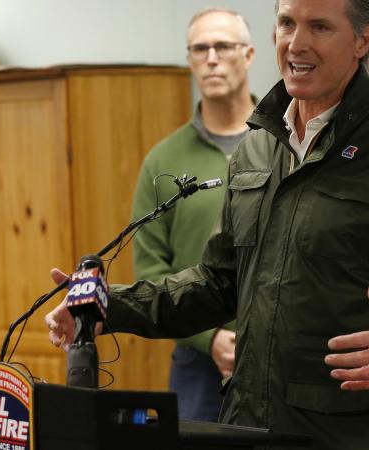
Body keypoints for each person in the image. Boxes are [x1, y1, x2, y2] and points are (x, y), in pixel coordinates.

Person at [46, 1, 369, 449]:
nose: (297, 43)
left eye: (319, 27)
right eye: (286, 24)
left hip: (351, 435)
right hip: (247, 426)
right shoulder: (256, 147)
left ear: (362, 40)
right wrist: (108, 306)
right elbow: (220, 284)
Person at [130, 8, 256, 422]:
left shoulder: (282, 143)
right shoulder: (163, 160)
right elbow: (150, 270)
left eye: (223, 46)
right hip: (196, 359)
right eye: (200, 49)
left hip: (280, 353)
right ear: (189, 60)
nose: (212, 58)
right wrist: (211, 338)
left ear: (250, 55)